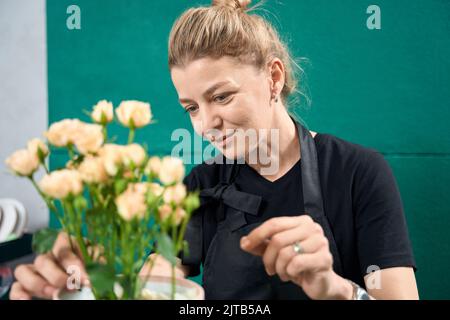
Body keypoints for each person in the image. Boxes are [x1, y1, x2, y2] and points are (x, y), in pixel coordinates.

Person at [10, 0, 418, 300]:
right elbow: (159, 281)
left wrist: (335, 289)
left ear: (273, 78)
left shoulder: (357, 171)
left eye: (221, 97)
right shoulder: (202, 183)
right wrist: (95, 281)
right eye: (191, 108)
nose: (205, 125)